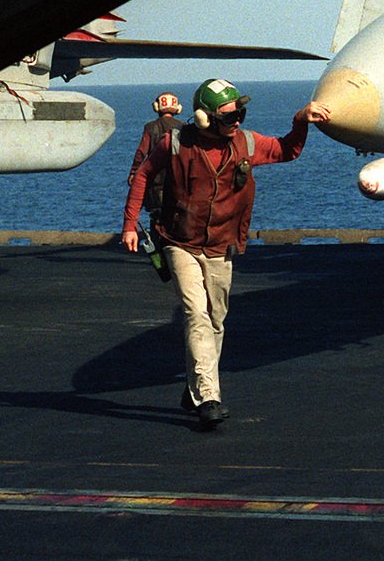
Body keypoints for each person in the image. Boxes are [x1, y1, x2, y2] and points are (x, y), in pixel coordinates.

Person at [121, 78, 330, 429]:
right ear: (203, 118)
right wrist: (130, 224)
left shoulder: (246, 142)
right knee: (196, 315)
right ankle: (209, 397)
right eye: (229, 116)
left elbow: (287, 150)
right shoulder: (174, 143)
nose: (237, 121)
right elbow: (143, 175)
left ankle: (194, 388)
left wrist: (300, 120)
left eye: (240, 114)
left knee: (216, 319)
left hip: (222, 244)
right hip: (179, 241)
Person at [126, 92, 182, 224]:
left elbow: (141, 152)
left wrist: (134, 172)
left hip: (156, 183)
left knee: (157, 217)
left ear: (157, 107)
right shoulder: (183, 127)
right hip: (178, 182)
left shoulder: (150, 127)